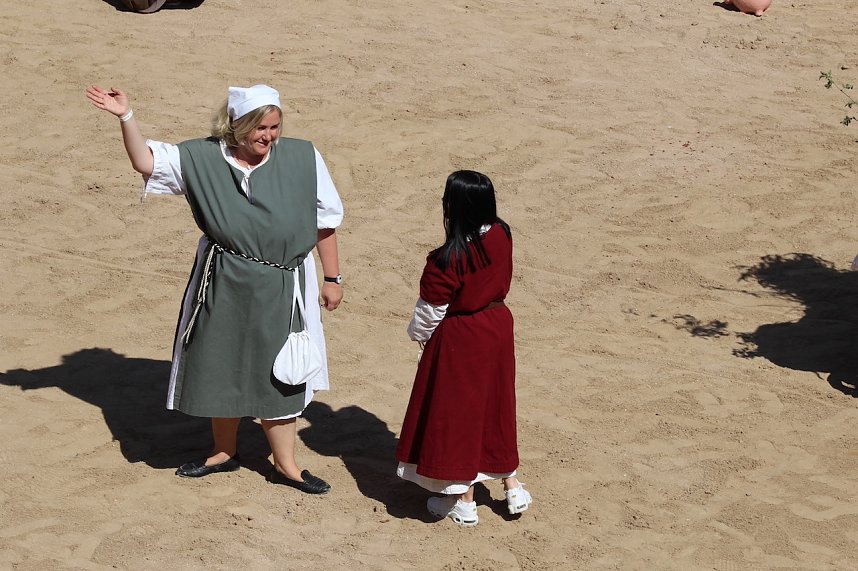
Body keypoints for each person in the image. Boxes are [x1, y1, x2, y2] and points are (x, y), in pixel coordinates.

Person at [84, 83, 343, 494]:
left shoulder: (303, 156)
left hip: (285, 280)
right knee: (223, 363)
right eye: (261, 128)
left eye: (275, 127)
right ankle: (224, 452)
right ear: (236, 126)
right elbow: (145, 161)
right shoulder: (201, 156)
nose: (269, 136)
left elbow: (324, 220)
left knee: (285, 371)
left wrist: (332, 277)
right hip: (224, 279)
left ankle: (286, 463)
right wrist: (126, 117)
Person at [395, 170, 532, 526]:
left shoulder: (447, 258)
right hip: (498, 328)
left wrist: (421, 339)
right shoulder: (502, 233)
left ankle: (464, 499)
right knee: (496, 407)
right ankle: (512, 485)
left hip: (462, 338)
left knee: (460, 416)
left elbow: (429, 313)